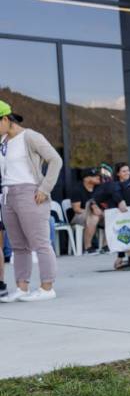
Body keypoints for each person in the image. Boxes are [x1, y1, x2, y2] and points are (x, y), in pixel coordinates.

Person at [0, 99, 61, 303]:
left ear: (6, 119)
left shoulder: (30, 137)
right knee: (18, 245)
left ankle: (47, 287)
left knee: (40, 243)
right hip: (8, 195)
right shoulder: (3, 142)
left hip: (30, 193)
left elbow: (55, 160)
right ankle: (22, 288)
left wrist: (45, 189)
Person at [71, 167, 105, 254]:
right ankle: (88, 247)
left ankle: (106, 246)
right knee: (93, 217)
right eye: (94, 176)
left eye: (98, 175)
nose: (98, 177)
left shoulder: (100, 188)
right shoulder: (77, 189)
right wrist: (91, 211)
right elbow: (77, 209)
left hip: (98, 214)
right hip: (80, 216)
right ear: (86, 178)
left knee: (110, 216)